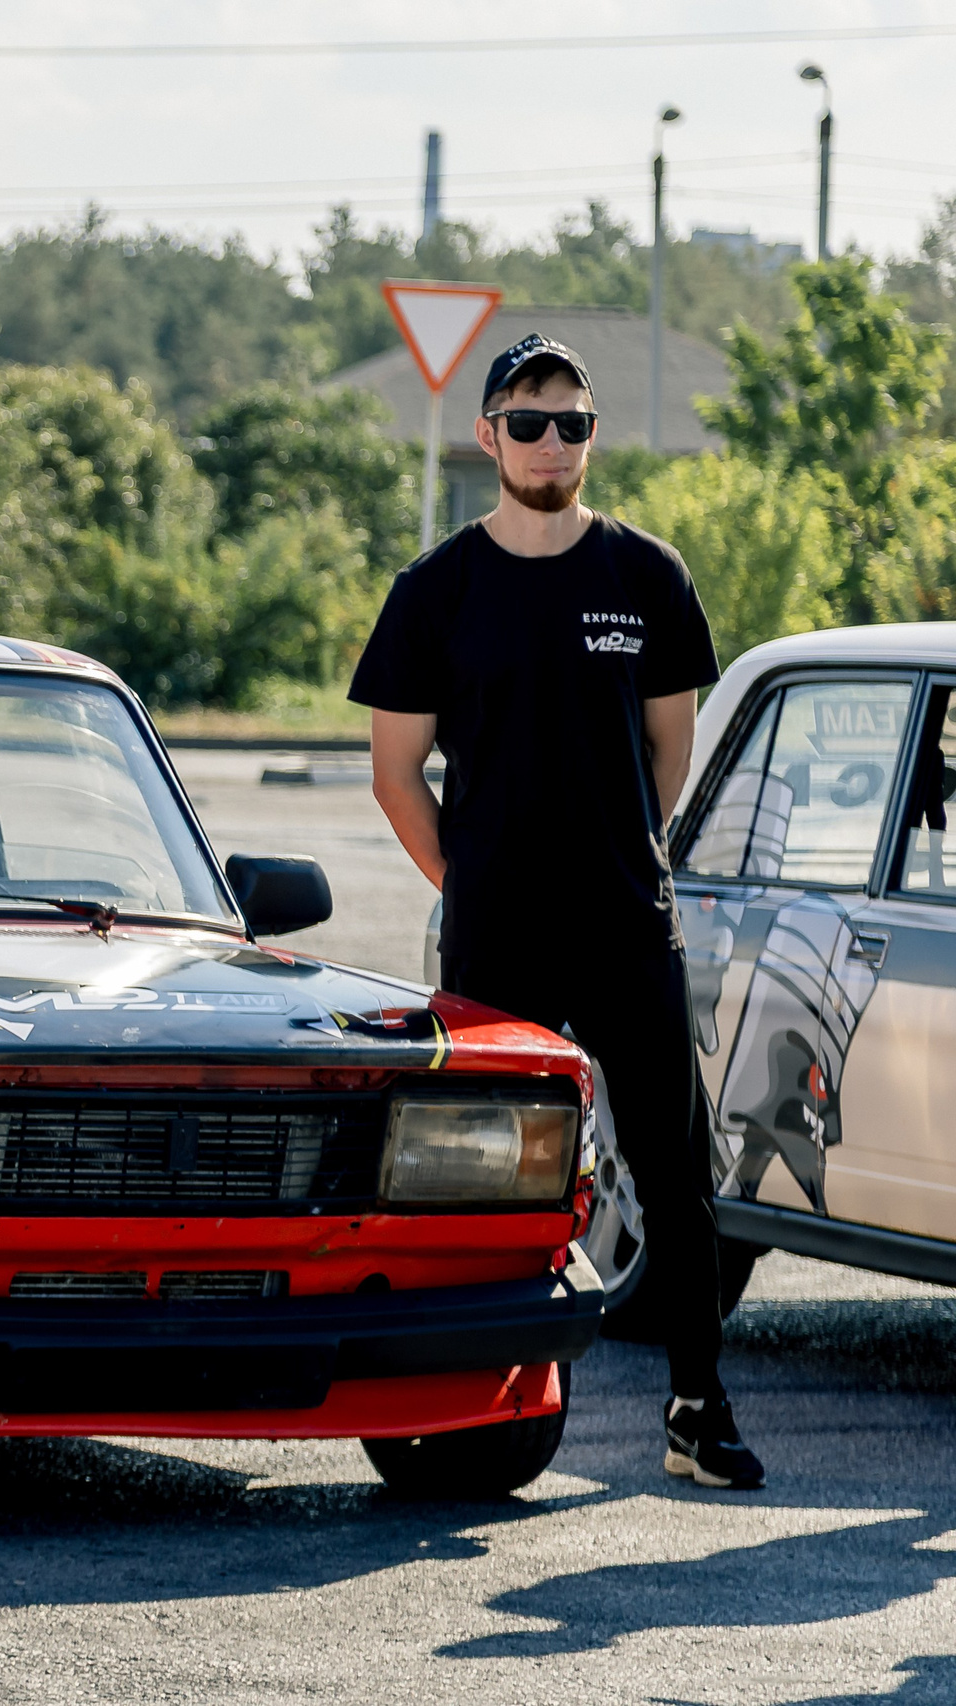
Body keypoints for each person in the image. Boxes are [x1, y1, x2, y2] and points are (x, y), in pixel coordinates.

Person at [349, 333, 765, 1491]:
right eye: (526, 422)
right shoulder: (436, 590)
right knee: (482, 1168)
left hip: (628, 918)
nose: (549, 442)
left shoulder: (645, 575)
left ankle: (697, 1406)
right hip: (499, 935)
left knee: (673, 1175)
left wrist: (614, 849)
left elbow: (666, 751)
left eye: (570, 423)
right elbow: (395, 771)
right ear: (486, 436)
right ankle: (479, 1410)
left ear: (592, 437)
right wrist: (468, 880)